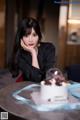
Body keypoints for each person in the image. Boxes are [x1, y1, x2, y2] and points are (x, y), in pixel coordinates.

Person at [9, 17, 56, 83]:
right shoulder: (20, 55)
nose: (30, 40)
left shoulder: (49, 48)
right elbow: (36, 79)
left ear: (39, 36)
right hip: (30, 88)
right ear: (21, 37)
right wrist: (33, 52)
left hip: (47, 87)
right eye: (26, 35)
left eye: (34, 35)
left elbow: (49, 76)